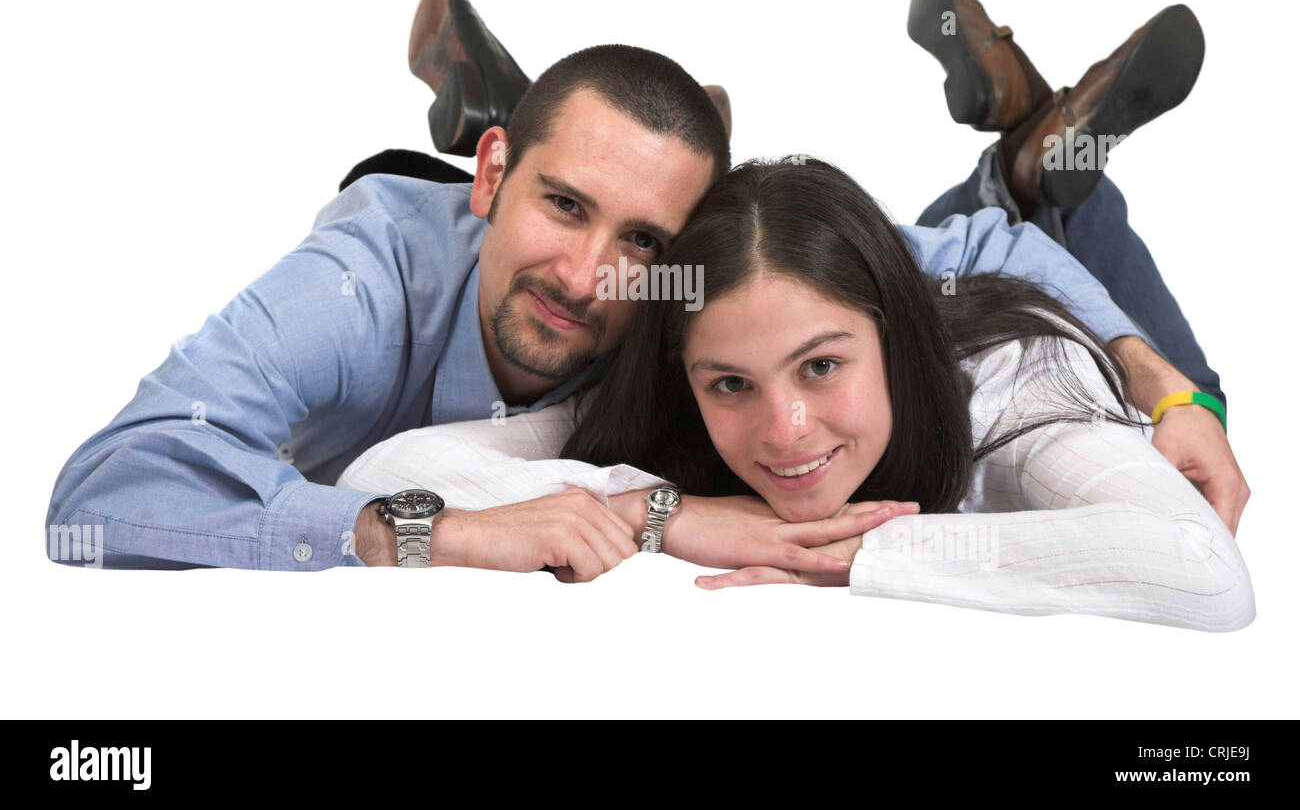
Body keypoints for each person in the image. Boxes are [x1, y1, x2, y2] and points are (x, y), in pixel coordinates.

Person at [44, 0, 1238, 575]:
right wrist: (427, 535)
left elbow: (972, 263)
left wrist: (1173, 389)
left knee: (962, 253)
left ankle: (1025, 157)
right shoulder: (359, 290)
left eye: (642, 240)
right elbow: (100, 498)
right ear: (497, 178)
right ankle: (1030, 150)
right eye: (562, 204)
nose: (587, 276)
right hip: (425, 230)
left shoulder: (683, 291)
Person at [342, 156, 1249, 629]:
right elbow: (382, 471)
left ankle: (1030, 171)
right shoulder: (666, 395)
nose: (785, 430)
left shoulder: (1019, 381)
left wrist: (843, 553)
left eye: (822, 366)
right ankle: (1013, 162)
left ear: (895, 339)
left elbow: (1201, 565)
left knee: (1185, 377)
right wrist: (663, 512)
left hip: (1036, 321)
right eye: (732, 383)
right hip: (910, 283)